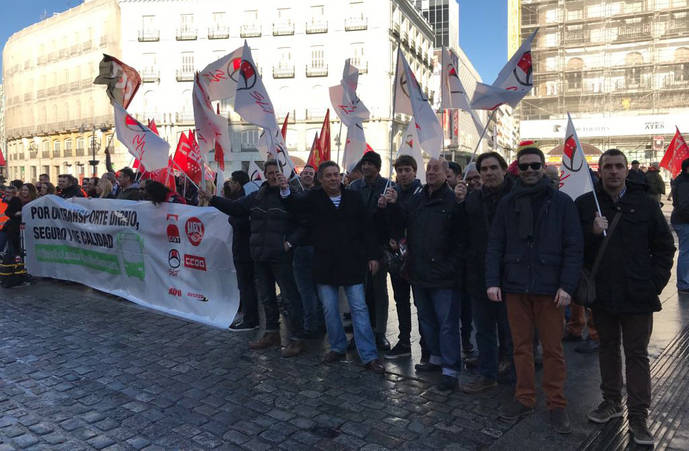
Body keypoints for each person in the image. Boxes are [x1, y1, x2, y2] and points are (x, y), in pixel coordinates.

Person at [577, 148, 675, 446]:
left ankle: (639, 416)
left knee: (636, 356)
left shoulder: (645, 204)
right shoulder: (586, 204)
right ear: (600, 170)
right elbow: (574, 248)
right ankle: (611, 403)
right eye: (608, 167)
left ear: (626, 171)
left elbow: (664, 247)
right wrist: (590, 232)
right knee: (606, 349)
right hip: (603, 294)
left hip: (637, 295)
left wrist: (654, 283)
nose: (614, 172)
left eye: (619, 166)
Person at [485, 146, 583, 434]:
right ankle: (524, 397)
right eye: (524, 167)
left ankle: (556, 403)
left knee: (553, 350)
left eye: (535, 166)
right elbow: (495, 244)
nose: (530, 171)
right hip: (515, 286)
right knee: (521, 348)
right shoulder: (508, 203)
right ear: (518, 169)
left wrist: (567, 286)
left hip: (550, 288)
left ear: (543, 167)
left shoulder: (562, 202)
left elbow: (573, 247)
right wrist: (492, 280)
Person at [278, 161, 385, 374]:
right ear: (320, 178)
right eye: (328, 175)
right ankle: (337, 346)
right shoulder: (313, 198)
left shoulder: (354, 198)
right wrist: (285, 189)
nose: (334, 178)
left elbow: (367, 228)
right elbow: (294, 205)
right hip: (325, 264)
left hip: (352, 263)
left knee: (359, 309)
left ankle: (369, 355)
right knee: (329, 309)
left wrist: (373, 256)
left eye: (336, 174)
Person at [200, 160, 305, 357]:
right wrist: (212, 199)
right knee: (266, 296)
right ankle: (272, 333)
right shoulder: (257, 196)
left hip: (281, 256)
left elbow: (303, 223)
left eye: (277, 172)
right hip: (259, 254)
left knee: (290, 298)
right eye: (270, 172)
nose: (274, 175)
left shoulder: (290, 196)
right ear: (265, 174)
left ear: (283, 174)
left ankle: (297, 337)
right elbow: (235, 207)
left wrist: (290, 243)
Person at [380, 158, 465, 392]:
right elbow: (401, 223)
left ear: (447, 173)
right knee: (427, 320)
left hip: (444, 274)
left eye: (436, 169)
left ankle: (450, 369)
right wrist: (393, 205)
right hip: (419, 271)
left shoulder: (453, 200)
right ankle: (436, 358)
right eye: (429, 169)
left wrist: (451, 266)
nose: (431, 173)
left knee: (447, 323)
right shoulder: (418, 198)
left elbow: (461, 240)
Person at [455, 152, 514, 394]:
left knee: (511, 329)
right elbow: (462, 234)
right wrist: (458, 203)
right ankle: (488, 374)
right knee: (484, 329)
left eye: (493, 168)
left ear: (503, 169)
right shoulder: (473, 199)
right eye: (484, 169)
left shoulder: (516, 196)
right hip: (479, 275)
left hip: (511, 275)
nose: (489, 173)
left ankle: (515, 377)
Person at [348, 151, 391, 350]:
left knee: (378, 291)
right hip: (357, 247)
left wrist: (387, 207)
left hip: (380, 247)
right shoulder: (354, 187)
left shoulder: (388, 186)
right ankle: (359, 333)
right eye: (363, 164)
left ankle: (380, 332)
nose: (365, 167)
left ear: (377, 167)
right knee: (358, 293)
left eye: (370, 164)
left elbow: (394, 219)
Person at [384, 155, 423, 359]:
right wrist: (384, 206)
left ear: (415, 171)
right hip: (397, 257)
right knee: (400, 300)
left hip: (416, 257)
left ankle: (427, 343)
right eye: (400, 171)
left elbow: (412, 217)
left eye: (407, 170)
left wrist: (396, 204)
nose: (403, 174)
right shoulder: (394, 191)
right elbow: (391, 222)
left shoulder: (420, 192)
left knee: (420, 302)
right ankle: (404, 340)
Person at [220, 171, 260, 332]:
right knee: (248, 284)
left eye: (231, 181)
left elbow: (240, 220)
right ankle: (248, 314)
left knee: (246, 284)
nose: (229, 184)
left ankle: (250, 319)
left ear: (237, 183)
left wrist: (232, 217)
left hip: (244, 247)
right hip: (247, 246)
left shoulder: (244, 199)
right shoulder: (246, 195)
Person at [672, 158, 689, 294]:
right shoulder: (684, 183)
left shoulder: (683, 180)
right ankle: (683, 284)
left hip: (682, 220)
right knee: (685, 252)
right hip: (684, 221)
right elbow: (684, 206)